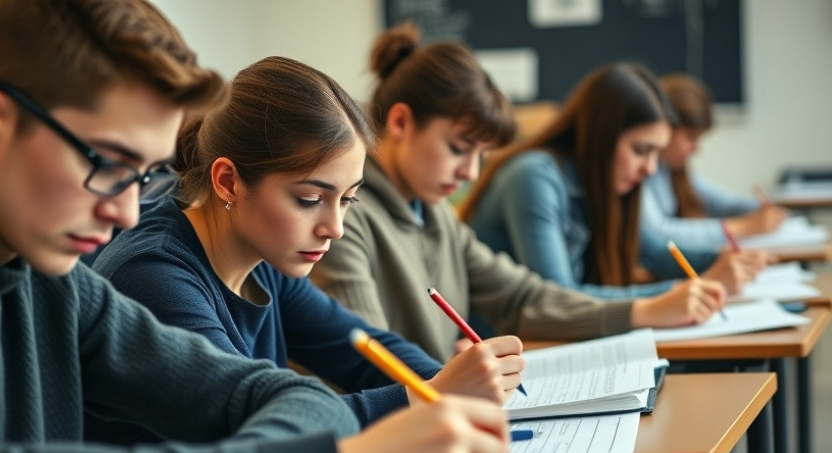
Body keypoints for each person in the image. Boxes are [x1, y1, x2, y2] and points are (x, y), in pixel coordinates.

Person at [0, 2, 512, 453]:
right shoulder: (120, 268)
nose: (127, 213)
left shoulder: (52, 283)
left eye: (138, 176)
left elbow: (283, 395)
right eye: (107, 165)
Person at [91, 56, 523, 434]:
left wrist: (447, 379)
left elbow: (361, 348)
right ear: (228, 182)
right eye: (310, 200)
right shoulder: (152, 277)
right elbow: (256, 422)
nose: (334, 227)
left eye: (348, 199)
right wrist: (426, 396)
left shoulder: (262, 259)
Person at [310, 23, 725, 363]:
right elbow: (368, 358)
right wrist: (449, 377)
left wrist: (645, 309)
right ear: (400, 123)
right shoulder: (347, 219)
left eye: (480, 156)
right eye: (458, 148)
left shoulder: (435, 215)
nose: (471, 172)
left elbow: (523, 296)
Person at [460, 63, 770, 300]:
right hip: (500, 355)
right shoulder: (532, 177)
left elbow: (656, 251)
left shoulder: (604, 184)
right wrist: (678, 294)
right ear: (601, 138)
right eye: (640, 150)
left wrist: (724, 261)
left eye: (656, 153)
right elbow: (561, 300)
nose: (650, 169)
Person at [640, 73, 787, 251]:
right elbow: (658, 233)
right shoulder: (639, 170)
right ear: (664, 128)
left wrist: (760, 209)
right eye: (691, 137)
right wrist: (742, 227)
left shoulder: (674, 170)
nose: (697, 149)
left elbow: (724, 202)